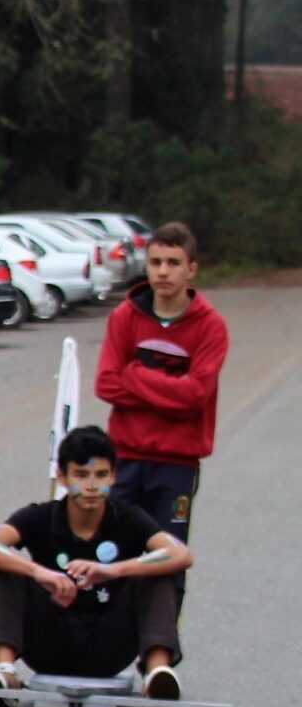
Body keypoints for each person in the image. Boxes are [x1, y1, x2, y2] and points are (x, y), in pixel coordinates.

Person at [0, 424, 192, 707]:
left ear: (113, 476)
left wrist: (113, 570)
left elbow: (180, 554)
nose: (91, 487)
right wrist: (39, 572)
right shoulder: (40, 516)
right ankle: (5, 674)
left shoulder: (129, 518)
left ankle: (157, 678)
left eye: (101, 476)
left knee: (158, 569)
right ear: (62, 477)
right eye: (81, 476)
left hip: (107, 644)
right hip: (50, 641)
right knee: (3, 567)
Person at [94, 222, 225, 602]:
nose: (163, 272)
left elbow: (195, 396)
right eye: (155, 262)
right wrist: (171, 388)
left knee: (165, 557)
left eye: (173, 262)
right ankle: (106, 644)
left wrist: (135, 373)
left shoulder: (211, 326)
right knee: (110, 551)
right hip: (125, 458)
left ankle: (159, 651)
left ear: (192, 269)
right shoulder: (125, 317)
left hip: (176, 466)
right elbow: (105, 384)